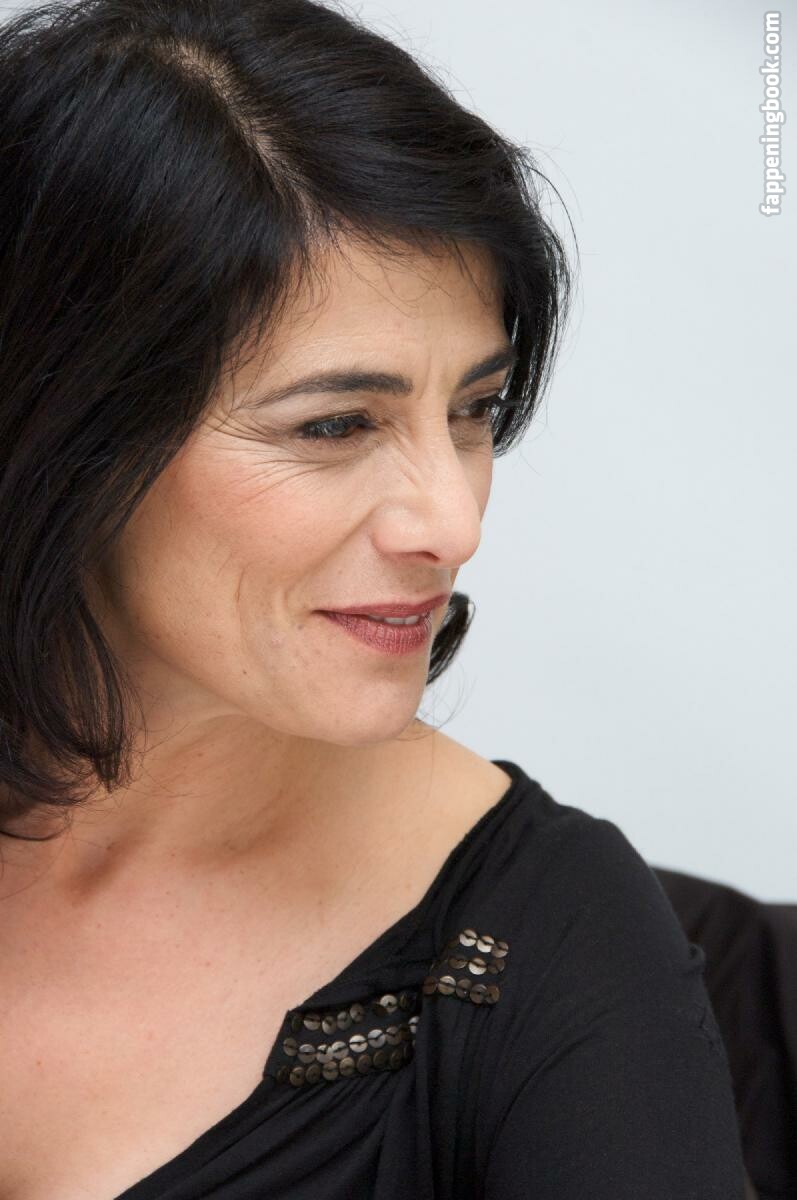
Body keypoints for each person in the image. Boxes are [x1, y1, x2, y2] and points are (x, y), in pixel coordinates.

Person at [0, 0, 747, 1196]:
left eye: (473, 411)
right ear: (60, 430)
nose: (452, 522)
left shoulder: (548, 938)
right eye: (336, 425)